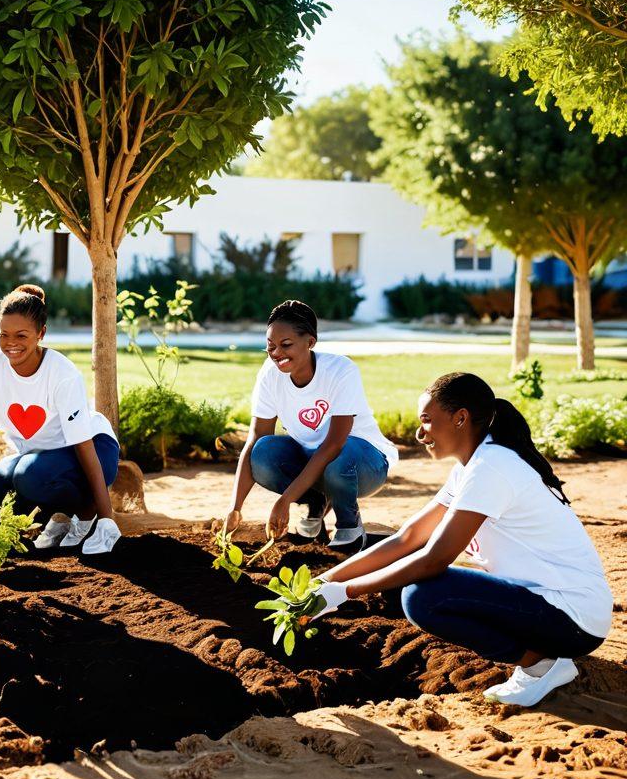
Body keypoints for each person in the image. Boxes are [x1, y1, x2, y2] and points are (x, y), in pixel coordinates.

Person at [310, 372, 612, 707]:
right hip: (549, 605)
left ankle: (541, 667)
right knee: (415, 584)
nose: (419, 433)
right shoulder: (471, 467)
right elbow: (409, 538)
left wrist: (345, 592)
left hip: (571, 618)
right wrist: (326, 580)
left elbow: (434, 558)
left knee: (424, 596)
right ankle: (541, 660)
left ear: (460, 418)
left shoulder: (491, 467)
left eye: (426, 421)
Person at [0, 285, 121, 555]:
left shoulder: (61, 373)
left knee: (29, 475)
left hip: (95, 450)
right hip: (41, 459)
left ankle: (86, 513)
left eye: (21, 335)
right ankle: (60, 518)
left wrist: (106, 516)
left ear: (41, 334)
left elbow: (83, 445)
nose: (10, 343)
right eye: (3, 335)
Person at [222, 300, 397, 550]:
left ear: (310, 342)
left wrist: (285, 500)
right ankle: (316, 503)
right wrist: (235, 507)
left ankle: (349, 525)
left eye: (286, 345)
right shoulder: (270, 376)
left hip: (364, 463)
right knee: (263, 452)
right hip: (316, 461)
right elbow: (254, 440)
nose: (276, 354)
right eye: (270, 346)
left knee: (339, 455)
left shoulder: (340, 370)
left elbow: (334, 444)